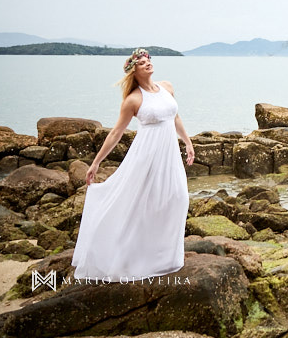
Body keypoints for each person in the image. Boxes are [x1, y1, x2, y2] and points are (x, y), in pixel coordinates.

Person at [71, 48, 195, 281]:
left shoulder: (167, 87)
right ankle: (132, 256)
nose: (147, 63)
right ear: (133, 71)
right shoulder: (133, 99)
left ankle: (167, 257)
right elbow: (116, 133)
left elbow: (175, 117)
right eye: (140, 62)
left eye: (147, 60)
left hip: (169, 156)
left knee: (178, 198)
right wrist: (96, 163)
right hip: (146, 156)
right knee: (141, 203)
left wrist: (187, 142)